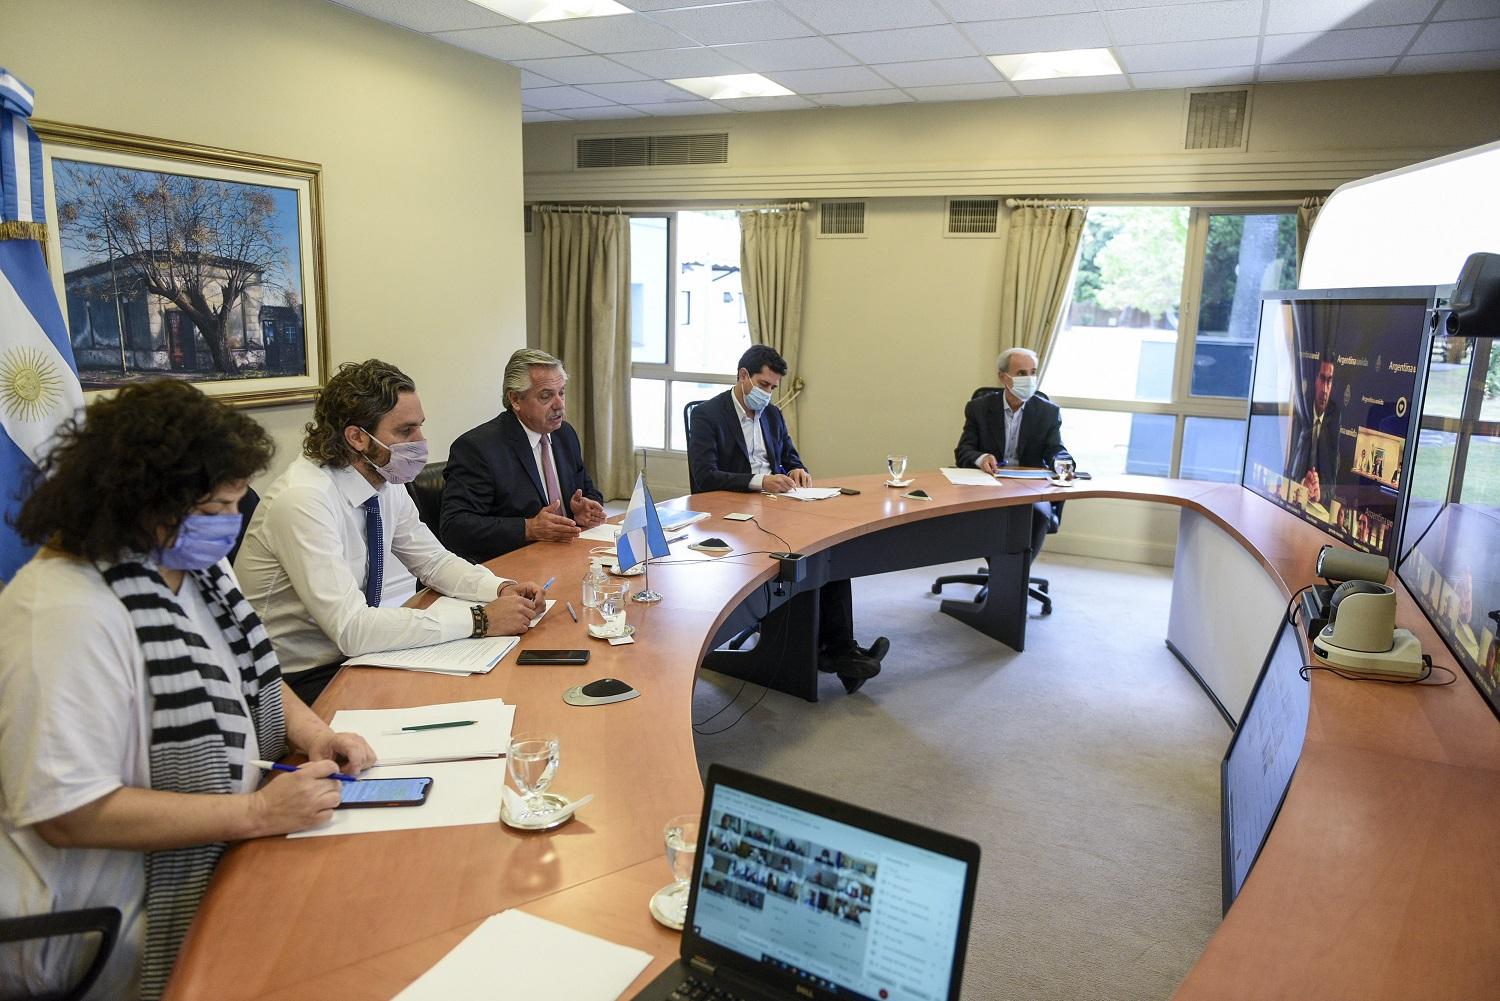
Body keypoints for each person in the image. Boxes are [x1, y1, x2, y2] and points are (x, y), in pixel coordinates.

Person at [0, 381, 376, 1001]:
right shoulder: (63, 612)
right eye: (216, 507)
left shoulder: (190, 562)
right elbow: (69, 814)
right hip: (102, 914)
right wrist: (256, 814)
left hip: (217, 849)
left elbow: (250, 675)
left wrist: (316, 734)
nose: (231, 523)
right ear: (141, 503)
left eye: (235, 502)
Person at [235, 359, 544, 705]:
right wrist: (480, 619)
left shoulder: (383, 478)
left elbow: (433, 561)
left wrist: (500, 588)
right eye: (405, 431)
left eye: (420, 428)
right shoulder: (304, 499)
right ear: (357, 437)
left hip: (353, 654)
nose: (421, 442)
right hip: (290, 679)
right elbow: (351, 629)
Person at [686, 344, 888, 694]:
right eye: (763, 385)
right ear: (743, 376)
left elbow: (792, 457)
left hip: (778, 504)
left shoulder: (773, 415)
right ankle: (839, 654)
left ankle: (840, 650)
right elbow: (705, 477)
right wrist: (759, 481)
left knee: (829, 548)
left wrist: (797, 469)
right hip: (733, 511)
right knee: (801, 553)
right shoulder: (708, 414)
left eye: (773, 388)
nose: (768, 394)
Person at [440, 348, 606, 562]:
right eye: (546, 396)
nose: (559, 405)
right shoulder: (477, 448)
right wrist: (529, 528)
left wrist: (585, 508)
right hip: (512, 563)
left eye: (561, 392)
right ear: (515, 399)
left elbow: (588, 489)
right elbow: (455, 526)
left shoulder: (565, 434)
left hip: (566, 555)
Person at [954, 347, 1068, 565]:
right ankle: (1000, 573)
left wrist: (1063, 463)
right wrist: (982, 458)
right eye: (1022, 373)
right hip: (989, 486)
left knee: (1038, 516)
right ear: (1003, 377)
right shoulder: (979, 408)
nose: (1029, 379)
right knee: (984, 517)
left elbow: (1056, 449)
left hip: (1029, 489)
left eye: (1033, 372)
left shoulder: (1048, 412)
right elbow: (964, 451)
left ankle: (1016, 575)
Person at [1288, 357, 1341, 505]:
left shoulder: (1335, 418)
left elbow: (1332, 485)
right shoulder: (1299, 410)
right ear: (1314, 380)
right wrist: (1300, 484)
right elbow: (1286, 470)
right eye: (1322, 379)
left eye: (1329, 381)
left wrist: (1320, 492)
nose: (1325, 389)